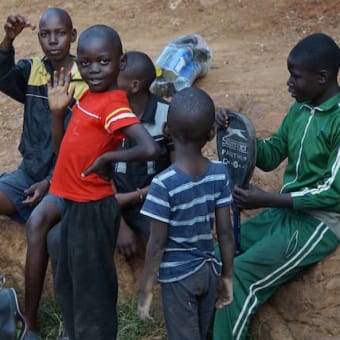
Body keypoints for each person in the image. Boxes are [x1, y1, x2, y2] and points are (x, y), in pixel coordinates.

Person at [213, 32, 340, 340]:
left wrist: (268, 199)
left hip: (318, 223)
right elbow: (270, 156)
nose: (289, 84)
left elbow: (333, 192)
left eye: (296, 77)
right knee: (217, 255)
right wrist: (238, 133)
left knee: (240, 276)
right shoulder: (300, 109)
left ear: (322, 77)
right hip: (284, 211)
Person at [47, 24, 160, 339]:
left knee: (92, 290)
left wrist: (108, 159)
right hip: (72, 202)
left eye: (103, 61)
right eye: (85, 62)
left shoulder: (112, 103)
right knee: (70, 281)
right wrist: (57, 115)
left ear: (120, 64)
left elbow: (148, 147)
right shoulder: (87, 98)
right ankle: (73, 333)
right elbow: (63, 153)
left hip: (92, 208)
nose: (93, 69)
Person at [0, 8, 87, 338]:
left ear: (73, 35)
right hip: (28, 174)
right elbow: (2, 74)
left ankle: (31, 322)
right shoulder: (35, 71)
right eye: (45, 34)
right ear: (38, 37)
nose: (53, 41)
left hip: (65, 179)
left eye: (60, 34)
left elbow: (82, 149)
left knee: (38, 227)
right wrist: (8, 40)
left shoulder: (84, 77)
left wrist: (50, 182)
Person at [137, 87, 234, 340]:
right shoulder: (220, 173)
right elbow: (225, 232)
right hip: (209, 271)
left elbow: (156, 243)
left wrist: (146, 289)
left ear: (167, 130)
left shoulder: (163, 184)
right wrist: (227, 276)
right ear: (211, 133)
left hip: (179, 278)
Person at [113, 50, 174, 258]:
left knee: (165, 239)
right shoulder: (107, 112)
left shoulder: (167, 116)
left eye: (115, 77)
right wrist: (119, 224)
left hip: (152, 199)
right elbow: (100, 171)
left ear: (135, 86)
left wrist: (132, 197)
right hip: (111, 199)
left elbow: (176, 174)